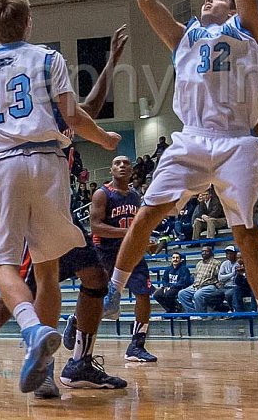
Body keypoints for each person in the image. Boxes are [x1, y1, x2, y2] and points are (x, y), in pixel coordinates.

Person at [104, 0, 258, 375]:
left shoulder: (247, 31)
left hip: (237, 143)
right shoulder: (184, 37)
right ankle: (114, 288)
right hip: (190, 139)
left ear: (231, 11)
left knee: (245, 232)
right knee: (148, 212)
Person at [0, 16, 124, 398]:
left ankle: (51, 365)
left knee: (54, 275)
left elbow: (86, 109)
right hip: (38, 177)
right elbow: (80, 113)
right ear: (30, 22)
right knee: (34, 277)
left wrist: (110, 64)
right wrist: (104, 138)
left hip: (21, 179)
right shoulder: (46, 81)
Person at [89, 155, 157, 362]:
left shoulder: (136, 196)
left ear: (132, 171)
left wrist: (145, 241)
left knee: (143, 294)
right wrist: (130, 233)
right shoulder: (102, 194)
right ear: (111, 170)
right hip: (106, 253)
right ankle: (76, 323)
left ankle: (137, 345)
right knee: (100, 300)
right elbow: (95, 227)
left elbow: (138, 228)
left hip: (131, 250)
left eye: (126, 163)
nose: (121, 166)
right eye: (117, 163)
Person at [177, 245, 224, 314]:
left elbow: (219, 277)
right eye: (202, 251)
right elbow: (195, 276)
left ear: (211, 253)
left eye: (206, 251)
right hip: (196, 285)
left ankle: (202, 315)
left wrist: (219, 287)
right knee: (182, 293)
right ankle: (193, 313)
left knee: (198, 295)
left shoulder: (216, 263)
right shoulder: (199, 263)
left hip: (209, 286)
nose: (204, 253)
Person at [217, 245, 239, 312]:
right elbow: (220, 278)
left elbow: (235, 278)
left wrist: (226, 277)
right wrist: (231, 274)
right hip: (225, 286)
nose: (229, 255)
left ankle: (233, 310)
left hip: (234, 286)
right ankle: (223, 311)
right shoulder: (224, 263)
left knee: (228, 294)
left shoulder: (238, 263)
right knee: (213, 294)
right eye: (227, 253)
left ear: (235, 254)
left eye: (231, 253)